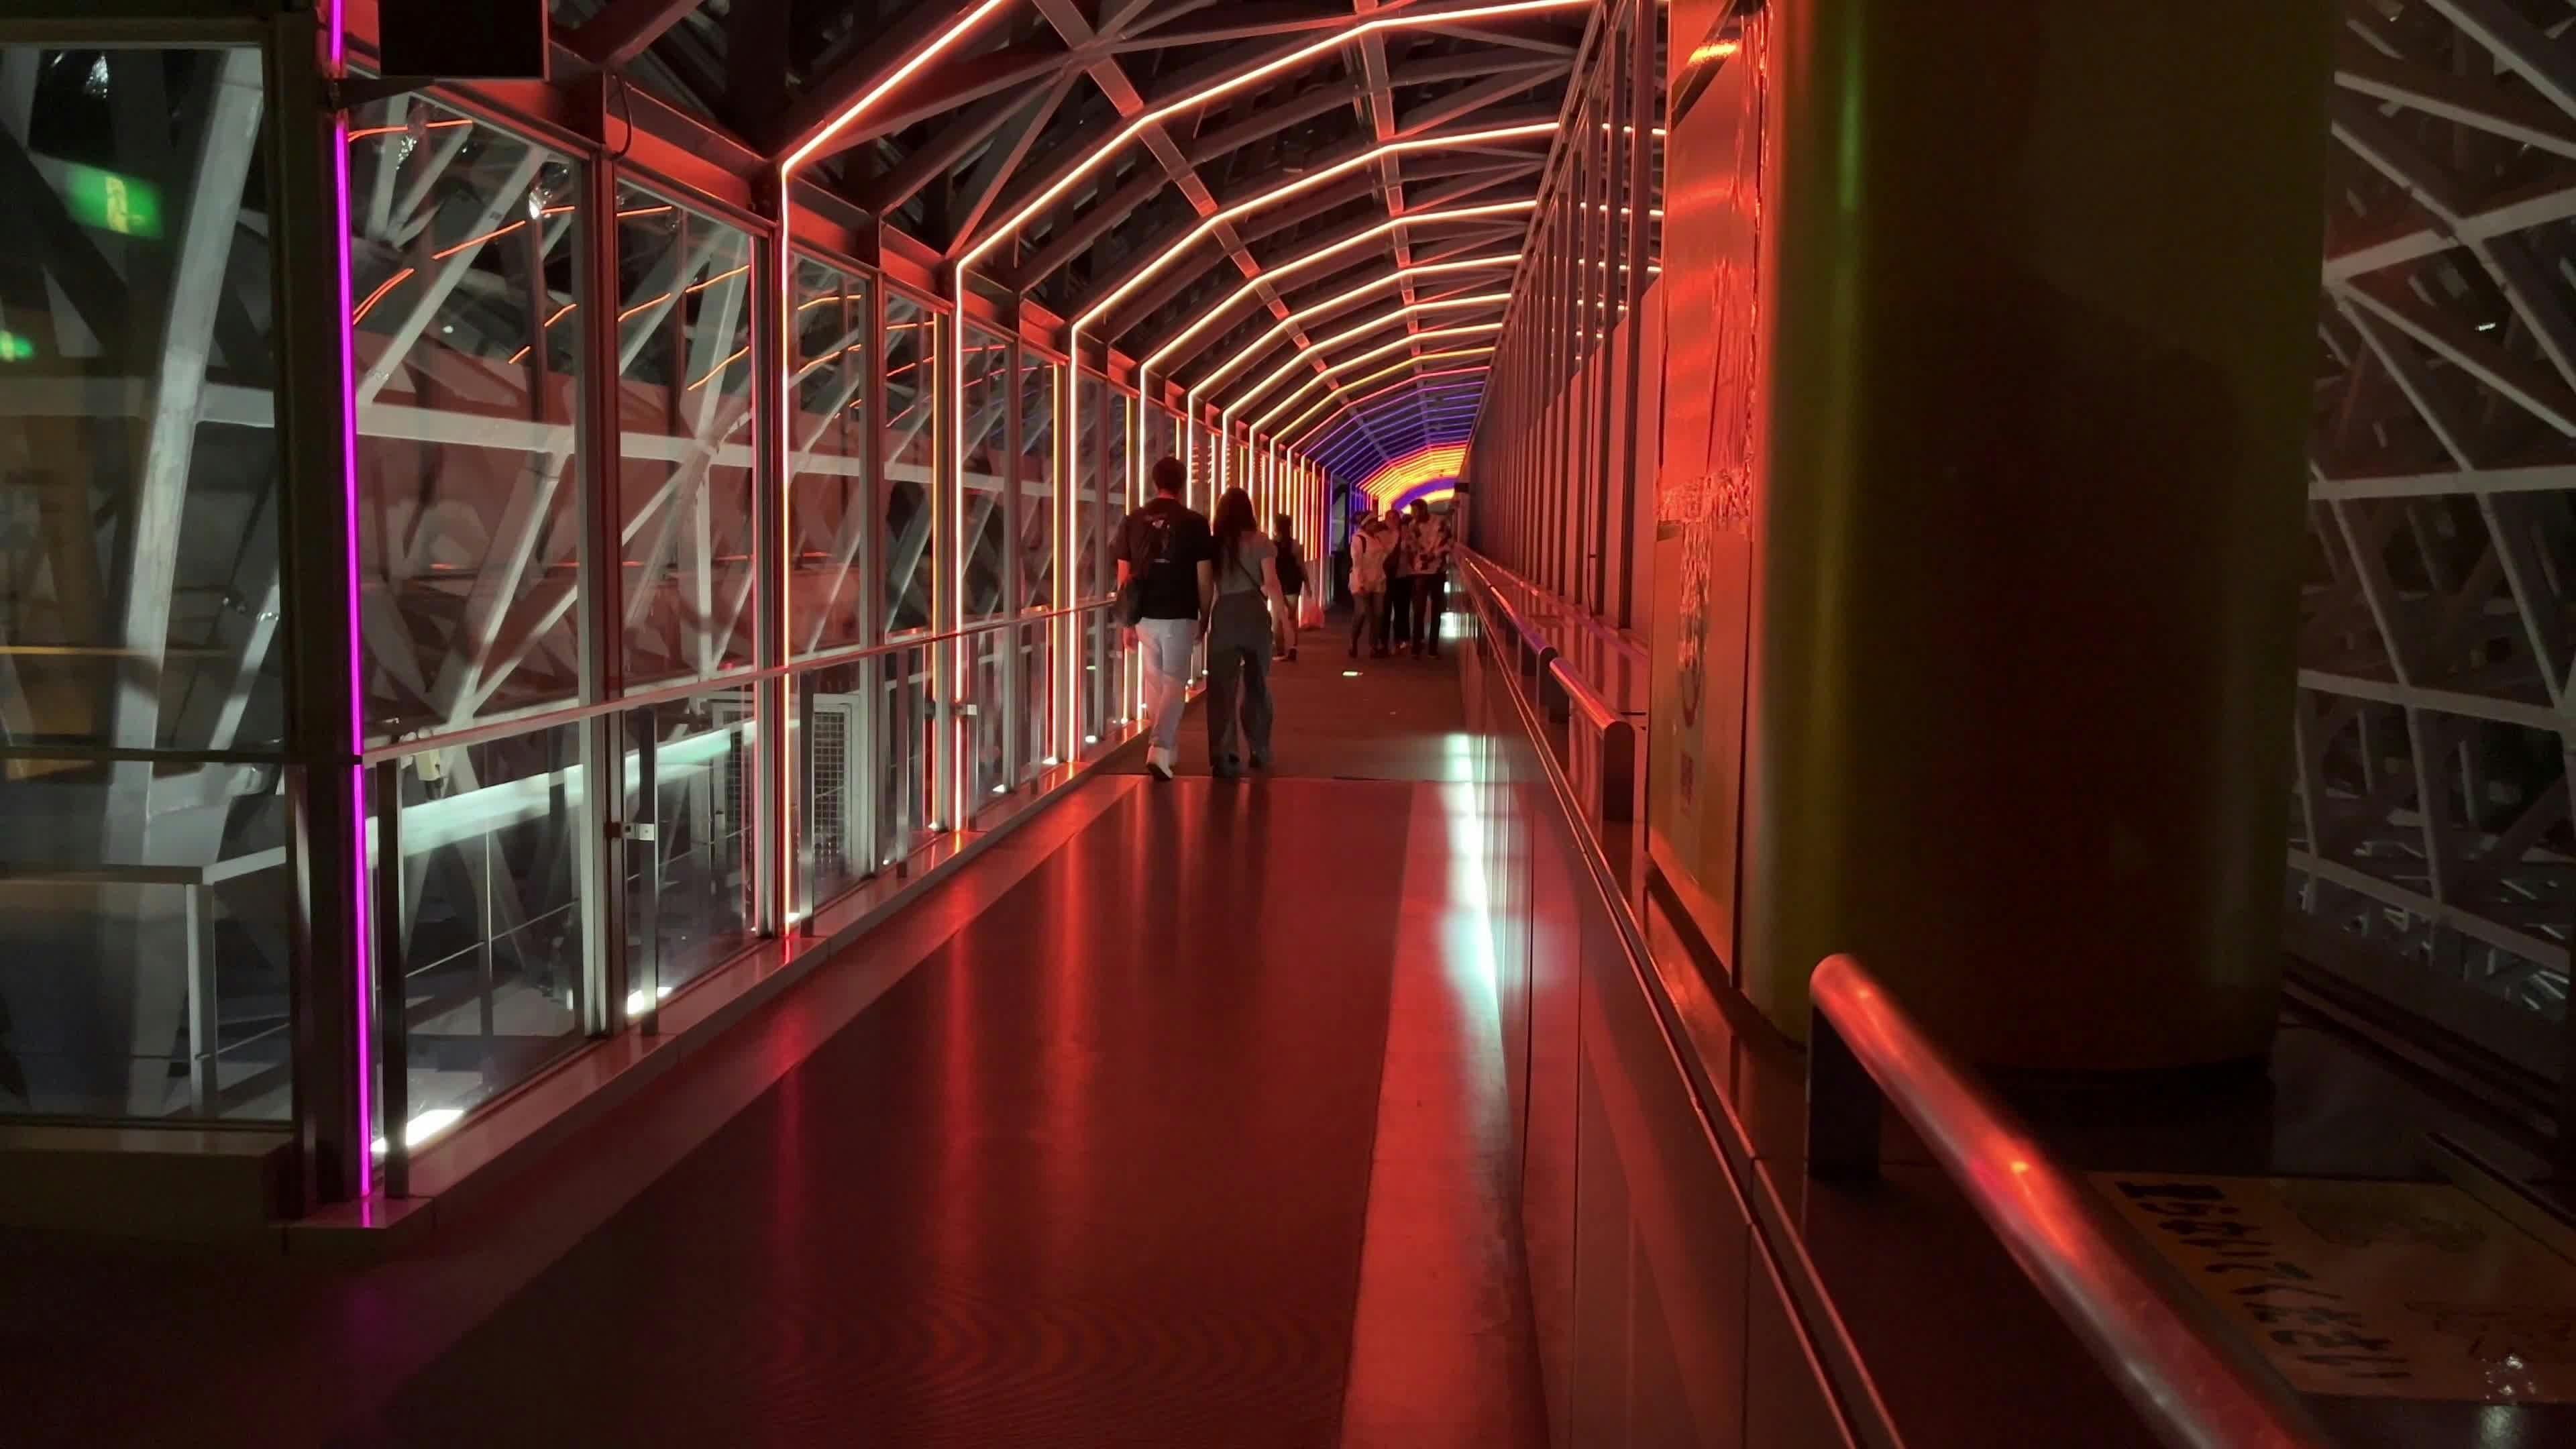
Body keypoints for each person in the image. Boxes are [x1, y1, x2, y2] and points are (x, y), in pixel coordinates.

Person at [1114, 456, 1214, 781]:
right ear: (1182, 484)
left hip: (1144, 614)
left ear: (1155, 482)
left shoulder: (1133, 520)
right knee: (1174, 681)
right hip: (1180, 611)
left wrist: (1127, 623)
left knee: (1154, 680)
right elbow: (1204, 576)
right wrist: (1205, 613)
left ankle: (1168, 750)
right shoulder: (1195, 523)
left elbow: (1124, 577)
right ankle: (1159, 746)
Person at [1201, 487, 1292, 777]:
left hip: (1225, 615)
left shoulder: (1214, 545)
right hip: (1254, 614)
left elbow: (1207, 587)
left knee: (1221, 689)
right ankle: (1259, 748)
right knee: (1257, 684)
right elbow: (1272, 583)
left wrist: (1204, 622)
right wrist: (1284, 620)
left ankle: (1225, 754)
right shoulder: (1261, 541)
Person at [1403, 499, 1456, 658]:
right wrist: (1416, 558)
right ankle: (1416, 646)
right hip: (1421, 571)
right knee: (1418, 610)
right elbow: (1411, 546)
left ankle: (1433, 648)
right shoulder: (1413, 526)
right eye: (1412, 512)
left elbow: (1449, 543)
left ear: (1424, 510)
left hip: (1438, 571)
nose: (1414, 515)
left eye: (1416, 511)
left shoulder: (1440, 522)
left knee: (1436, 611)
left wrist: (1434, 555)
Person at [1347, 508, 1395, 659]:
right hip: (1361, 582)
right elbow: (1357, 563)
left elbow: (1385, 553)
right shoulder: (1358, 539)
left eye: (1376, 522)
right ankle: (1353, 641)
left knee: (1378, 614)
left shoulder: (1378, 539)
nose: (1376, 525)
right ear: (1366, 524)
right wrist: (1360, 583)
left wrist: (1395, 532)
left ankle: (1373, 646)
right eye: (1373, 522)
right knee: (1361, 612)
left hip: (1378, 581)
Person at [1271, 513, 1307, 662]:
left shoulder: (1271, 545)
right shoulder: (1295, 545)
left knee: (1277, 619)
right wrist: (1308, 585)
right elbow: (1301, 566)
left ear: (1276, 527)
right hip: (1293, 584)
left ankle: (1280, 651)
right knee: (1292, 617)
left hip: (1277, 583)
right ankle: (1293, 649)